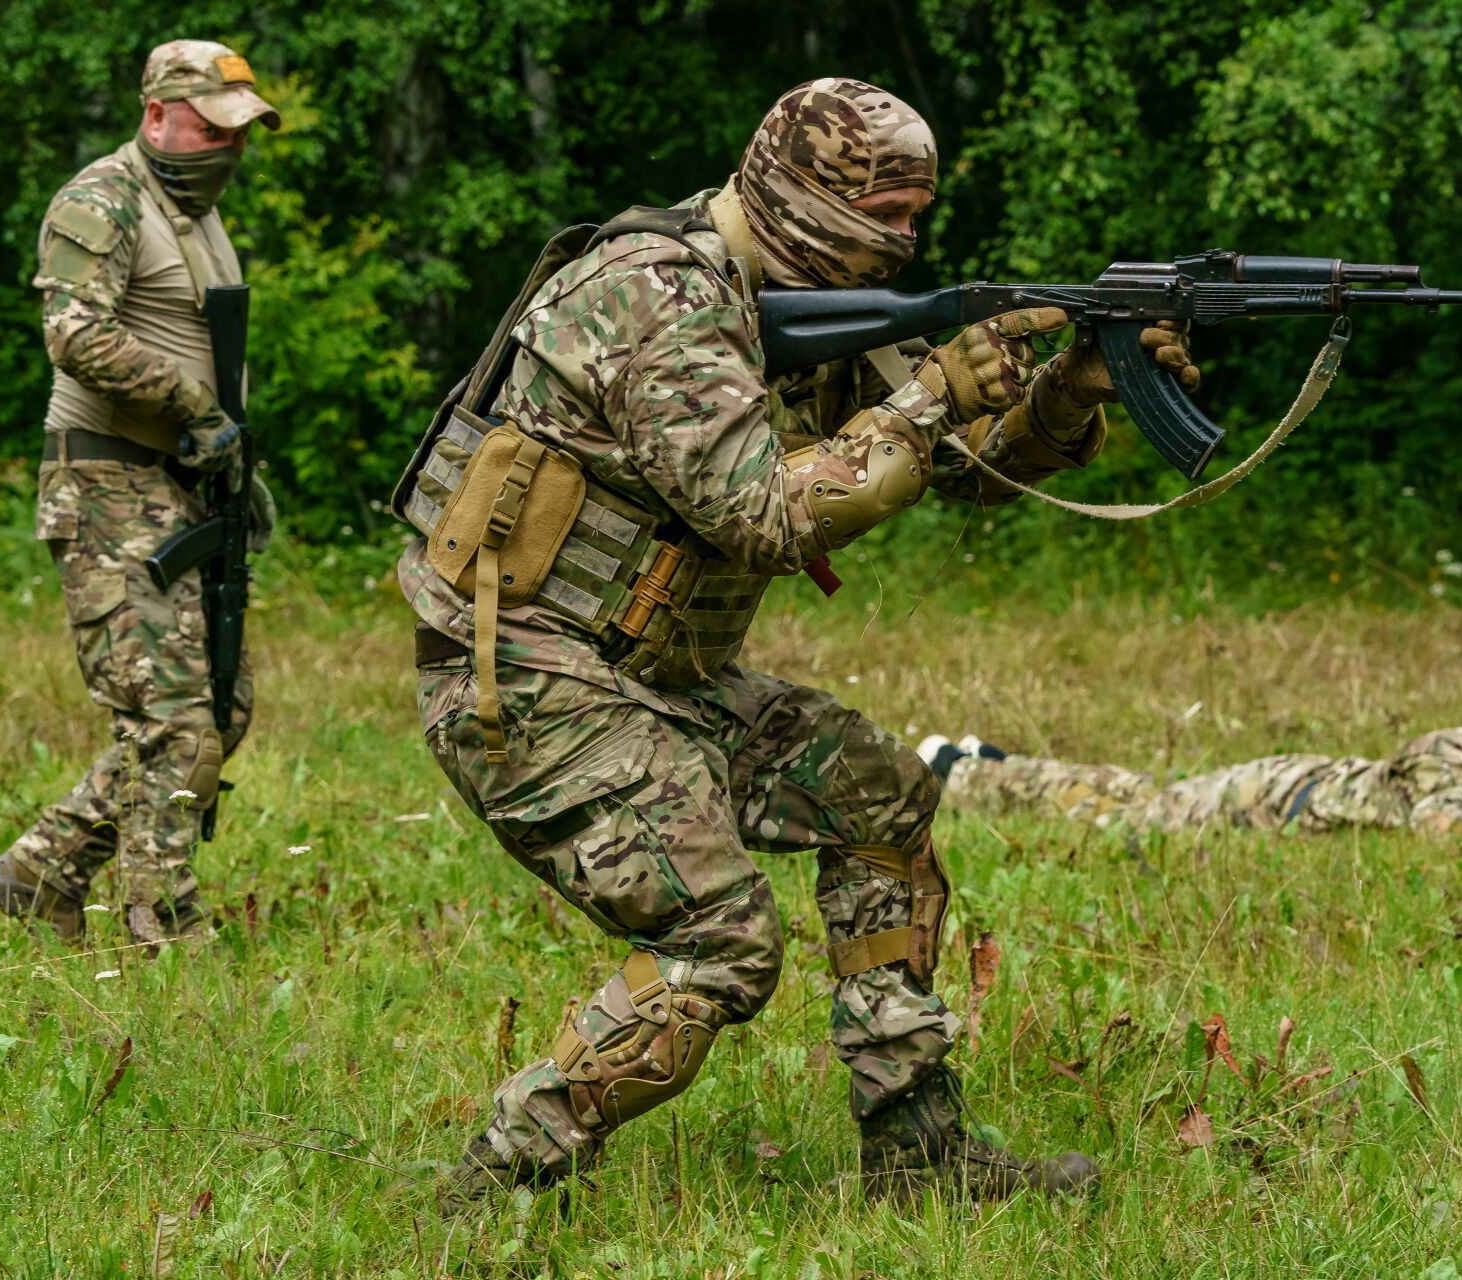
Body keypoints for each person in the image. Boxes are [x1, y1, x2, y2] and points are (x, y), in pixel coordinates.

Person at [392, 78, 1201, 1206]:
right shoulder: (656, 295)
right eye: (886, 214)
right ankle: (484, 1186)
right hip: (527, 681)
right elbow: (764, 515)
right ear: (806, 195)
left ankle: (922, 1158)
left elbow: (964, 469)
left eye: (916, 217)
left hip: (650, 677)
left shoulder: (809, 295)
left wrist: (1069, 388)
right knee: (722, 935)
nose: (904, 241)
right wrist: (928, 394)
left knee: (882, 799)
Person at [0, 40, 280, 947]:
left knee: (220, 708)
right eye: (212, 129)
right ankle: (161, 925)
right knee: (176, 719)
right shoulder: (101, 199)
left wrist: (235, 466)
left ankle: (41, 871)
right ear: (156, 116)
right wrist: (191, 403)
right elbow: (73, 334)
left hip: (182, 488)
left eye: (239, 134)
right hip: (106, 483)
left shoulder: (196, 213)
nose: (228, 149)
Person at [925, 681, 1462, 836]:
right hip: (1273, 797)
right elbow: (1446, 838)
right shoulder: (1448, 759)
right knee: (1134, 817)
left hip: (1296, 783)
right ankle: (964, 777)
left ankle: (987, 762)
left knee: (1139, 791)